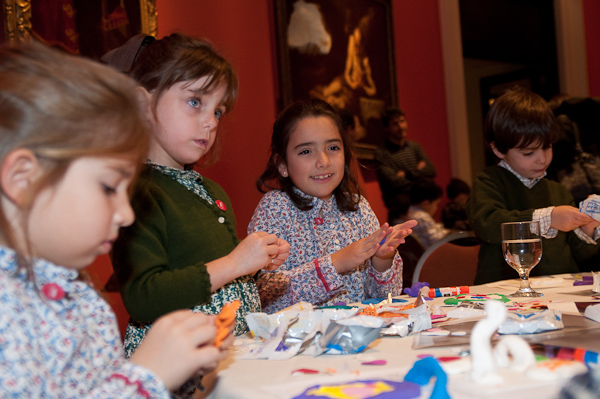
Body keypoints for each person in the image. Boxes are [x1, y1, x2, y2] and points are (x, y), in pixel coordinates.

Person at [0, 42, 232, 398]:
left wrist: (181, 370)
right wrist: (148, 374)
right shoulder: (8, 312)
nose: (125, 214)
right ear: (22, 179)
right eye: (109, 187)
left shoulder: (83, 302)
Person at [106, 34, 289, 357]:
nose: (210, 122)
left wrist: (254, 265)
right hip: (174, 362)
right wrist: (234, 263)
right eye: (195, 102)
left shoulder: (212, 192)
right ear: (142, 104)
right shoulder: (135, 192)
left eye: (218, 111)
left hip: (227, 351)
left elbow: (212, 268)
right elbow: (143, 297)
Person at [248, 99, 417, 313]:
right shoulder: (275, 208)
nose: (324, 161)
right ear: (282, 165)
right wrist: (335, 264)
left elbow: (385, 298)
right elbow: (266, 296)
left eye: (333, 147)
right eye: (306, 151)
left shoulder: (358, 207)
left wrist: (381, 259)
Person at [466, 87, 600, 285]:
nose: (542, 159)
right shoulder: (489, 182)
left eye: (547, 147)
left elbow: (580, 253)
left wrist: (589, 226)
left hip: (559, 292)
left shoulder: (558, 191)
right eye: (529, 153)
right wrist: (548, 218)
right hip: (505, 292)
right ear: (498, 149)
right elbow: (489, 225)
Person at [374, 107, 437, 209]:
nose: (401, 127)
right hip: (400, 210)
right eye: (395, 124)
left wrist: (407, 174)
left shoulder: (414, 147)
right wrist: (419, 174)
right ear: (386, 128)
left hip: (422, 206)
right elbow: (394, 183)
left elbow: (431, 171)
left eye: (402, 121)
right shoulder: (381, 153)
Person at [404, 179, 449, 249]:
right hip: (428, 253)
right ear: (426, 203)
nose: (436, 208)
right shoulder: (422, 217)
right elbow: (436, 240)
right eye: (436, 204)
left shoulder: (409, 211)